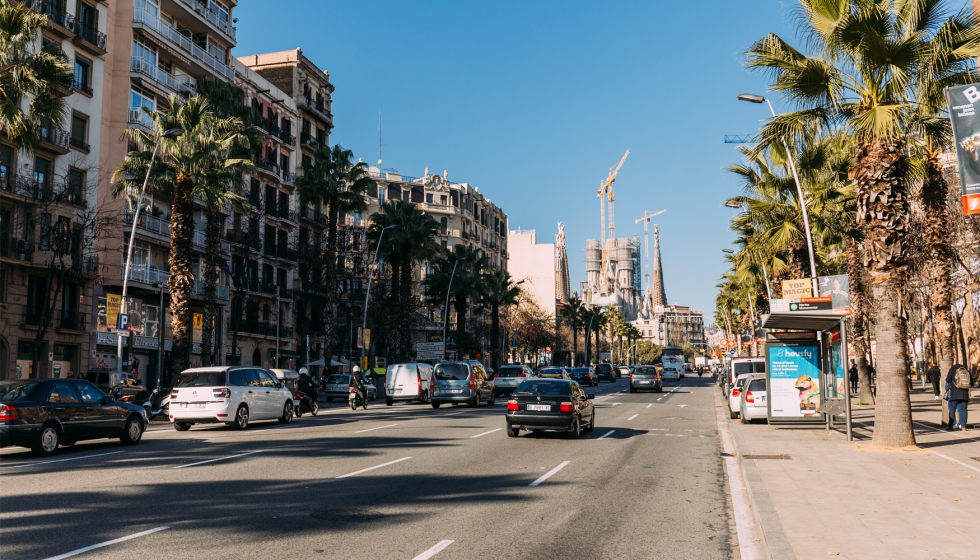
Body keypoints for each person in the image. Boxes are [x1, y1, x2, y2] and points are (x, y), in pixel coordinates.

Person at [945, 364, 971, 431]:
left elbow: (948, 380)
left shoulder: (952, 369)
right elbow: (971, 382)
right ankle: (963, 426)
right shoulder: (965, 370)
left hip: (954, 393)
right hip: (964, 394)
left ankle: (951, 426)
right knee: (964, 410)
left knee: (952, 410)